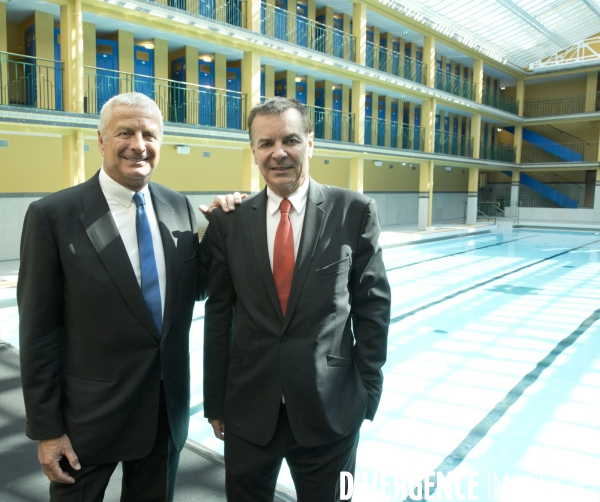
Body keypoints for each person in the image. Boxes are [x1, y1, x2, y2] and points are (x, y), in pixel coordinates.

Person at [17, 92, 238, 501]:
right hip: (88, 420)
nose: (139, 144)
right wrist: (47, 431)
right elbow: (37, 334)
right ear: (101, 141)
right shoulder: (54, 216)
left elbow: (197, 289)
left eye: (150, 134)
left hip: (163, 415)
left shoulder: (180, 208)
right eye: (125, 132)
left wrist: (225, 225)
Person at [202, 97, 392, 501]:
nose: (279, 153)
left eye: (290, 140)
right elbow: (218, 317)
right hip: (249, 412)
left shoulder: (354, 211)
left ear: (310, 142)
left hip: (331, 412)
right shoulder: (229, 222)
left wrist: (366, 393)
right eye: (266, 143)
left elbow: (372, 306)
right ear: (253, 151)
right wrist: (214, 402)